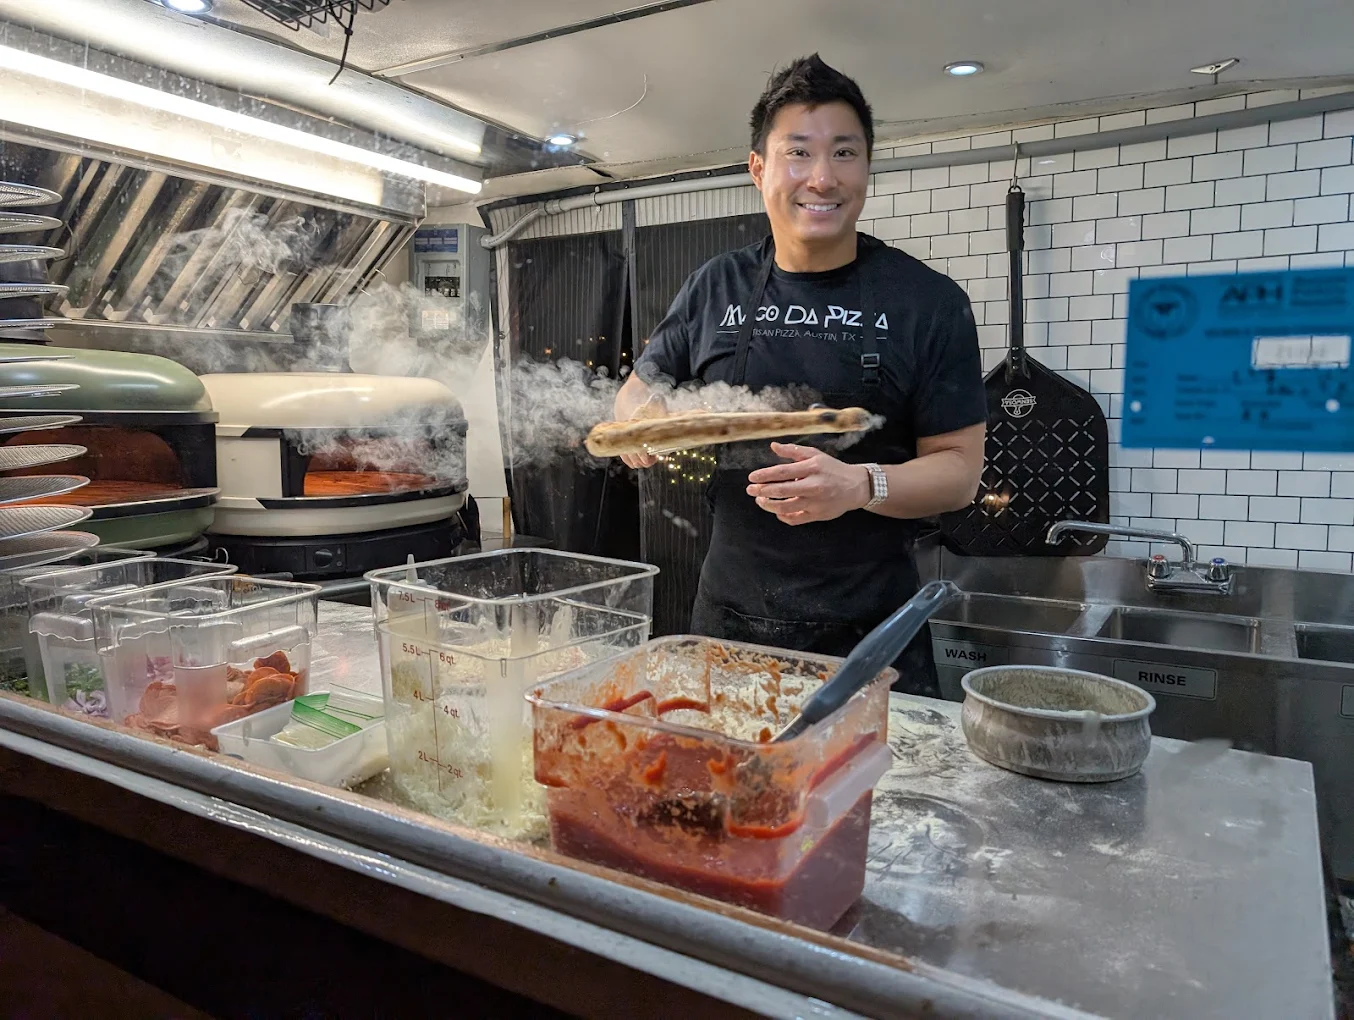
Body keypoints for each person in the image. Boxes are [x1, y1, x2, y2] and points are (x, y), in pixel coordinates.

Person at [612, 54, 987, 696]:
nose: (822, 178)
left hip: (872, 639)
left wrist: (860, 484)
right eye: (799, 154)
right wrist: (639, 425)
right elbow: (638, 392)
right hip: (729, 627)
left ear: (867, 168)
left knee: (875, 797)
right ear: (759, 169)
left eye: (844, 153)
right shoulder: (714, 285)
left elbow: (960, 472)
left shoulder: (928, 301)